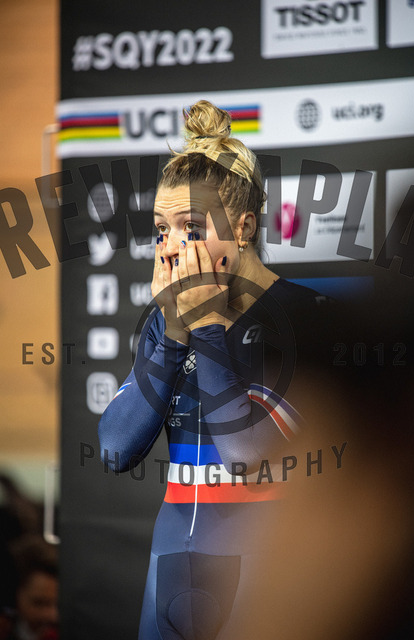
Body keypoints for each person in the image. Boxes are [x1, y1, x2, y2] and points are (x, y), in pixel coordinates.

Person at [98, 100, 328, 640]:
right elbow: (114, 449)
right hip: (170, 568)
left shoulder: (305, 318)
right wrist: (176, 332)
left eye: (192, 226)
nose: (173, 246)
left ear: (243, 227)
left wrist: (205, 326)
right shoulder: (165, 324)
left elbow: (249, 456)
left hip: (269, 573)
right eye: (161, 229)